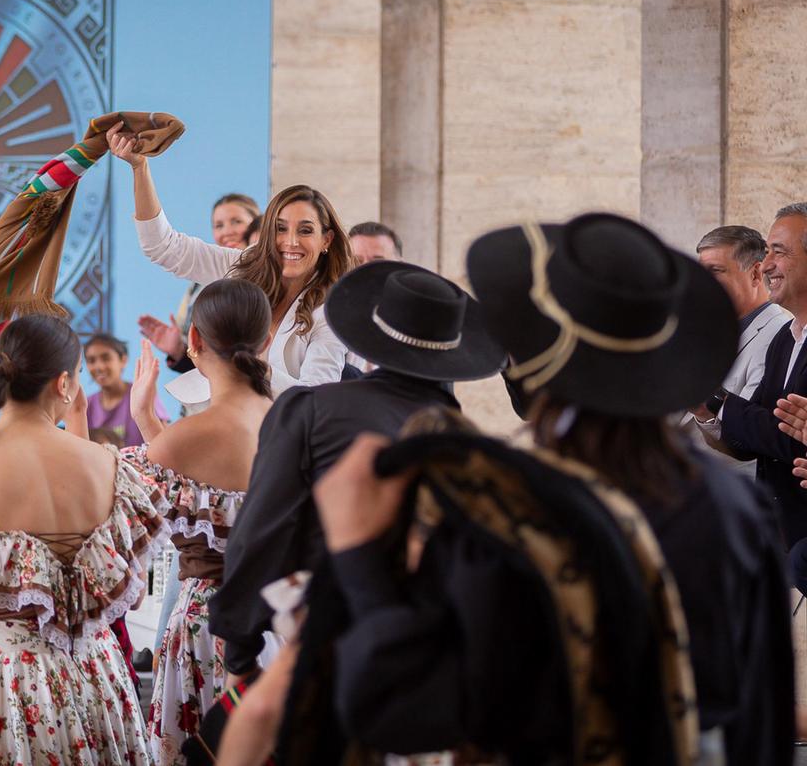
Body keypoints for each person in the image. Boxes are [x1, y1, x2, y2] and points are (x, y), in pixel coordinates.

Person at [283, 214, 791, 765]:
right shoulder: (734, 505)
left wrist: (358, 554)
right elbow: (764, 715)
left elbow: (407, 709)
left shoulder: (510, 509)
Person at [209, 260, 506, 689]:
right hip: (450, 665)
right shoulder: (473, 447)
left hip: (340, 647)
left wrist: (241, 656)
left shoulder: (311, 411)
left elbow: (261, 533)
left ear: (370, 340)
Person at [0, 314, 166, 765]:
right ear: (64, 384)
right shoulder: (108, 466)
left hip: (10, 682)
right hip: (99, 673)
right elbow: (128, 601)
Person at [120, 279, 274, 764]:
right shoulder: (294, 422)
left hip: (208, 627)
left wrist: (146, 419)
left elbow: (119, 526)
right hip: (280, 626)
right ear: (267, 341)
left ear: (195, 343)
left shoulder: (179, 440)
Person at [108, 122, 353, 398]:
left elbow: (316, 398)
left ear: (327, 240)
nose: (291, 242)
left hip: (284, 435)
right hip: (218, 416)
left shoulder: (331, 312)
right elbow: (162, 246)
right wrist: (139, 168)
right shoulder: (245, 266)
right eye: (280, 229)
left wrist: (255, 367)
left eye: (306, 230)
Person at [709, 204, 807, 549]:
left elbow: (786, 438)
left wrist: (712, 398)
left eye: (778, 252)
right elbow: (751, 436)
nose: (766, 266)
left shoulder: (774, 330)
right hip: (777, 528)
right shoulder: (786, 339)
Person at [688, 225, 788, 474]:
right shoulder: (710, 331)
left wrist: (704, 409)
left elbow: (749, 441)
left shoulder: (778, 336)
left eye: (716, 271)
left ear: (756, 274)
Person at [138, 194, 259, 375]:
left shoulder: (266, 279)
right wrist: (179, 349)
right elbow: (201, 363)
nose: (227, 231)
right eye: (219, 225)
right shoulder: (198, 287)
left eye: (237, 221)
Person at [85, 331, 169, 448]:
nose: (99, 367)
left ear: (123, 360)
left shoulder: (141, 394)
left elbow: (165, 440)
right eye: (91, 361)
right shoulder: (86, 405)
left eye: (106, 358)